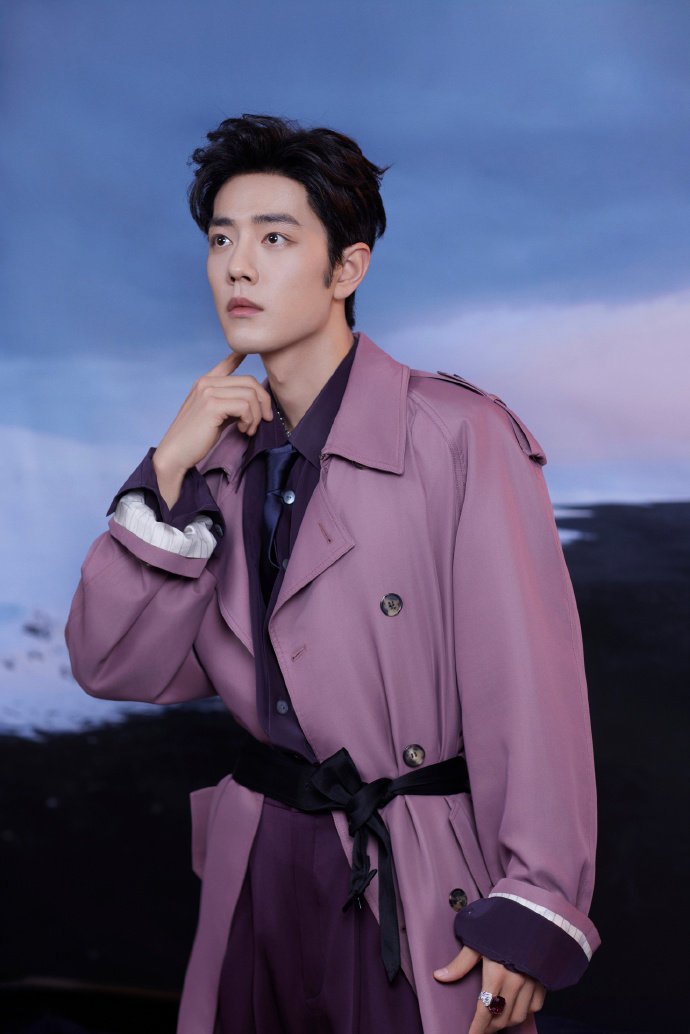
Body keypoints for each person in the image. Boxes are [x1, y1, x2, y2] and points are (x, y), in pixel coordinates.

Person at [66, 114, 599, 1034]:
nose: (238, 267)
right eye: (222, 240)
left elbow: (530, 686)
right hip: (255, 862)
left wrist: (534, 902)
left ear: (347, 268)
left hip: (412, 865)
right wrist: (167, 468)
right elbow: (113, 663)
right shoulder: (217, 457)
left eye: (275, 238)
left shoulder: (458, 436)